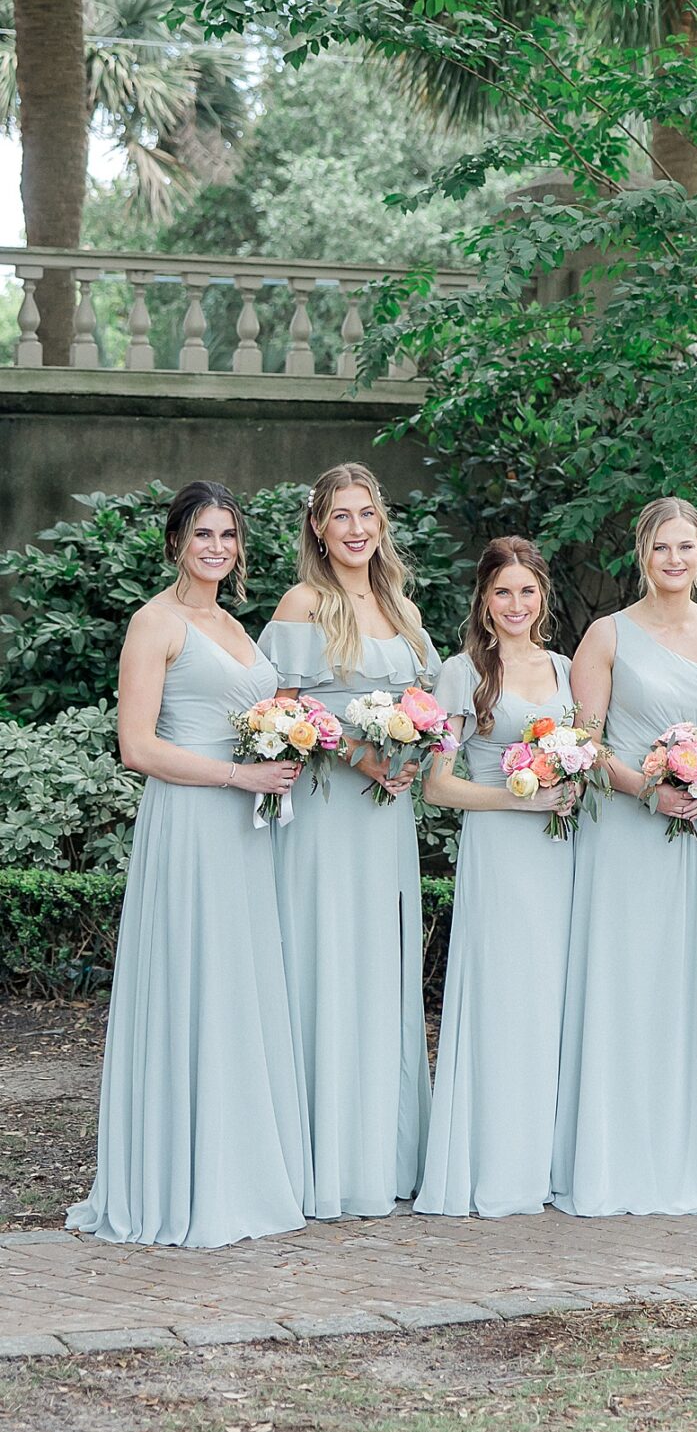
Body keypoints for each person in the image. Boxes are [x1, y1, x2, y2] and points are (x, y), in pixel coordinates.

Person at [69, 482, 308, 1247]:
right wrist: (239, 775)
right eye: (202, 534)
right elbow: (136, 746)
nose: (216, 547)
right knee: (196, 980)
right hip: (194, 818)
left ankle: (237, 1170)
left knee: (238, 985)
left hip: (246, 826)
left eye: (228, 536)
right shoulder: (155, 622)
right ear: (176, 541)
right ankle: (182, 1183)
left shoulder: (233, 623)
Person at [551, 498, 697, 1216]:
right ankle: (617, 1152)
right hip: (629, 832)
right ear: (642, 552)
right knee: (628, 982)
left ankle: (690, 1148)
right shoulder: (607, 634)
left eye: (686, 546)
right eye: (662, 547)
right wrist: (647, 789)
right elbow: (585, 743)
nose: (674, 559)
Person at [259, 463, 437, 1219]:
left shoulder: (401, 606)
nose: (356, 528)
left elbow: (427, 705)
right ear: (318, 529)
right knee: (325, 960)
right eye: (341, 516)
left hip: (387, 815)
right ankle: (320, 1161)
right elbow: (280, 713)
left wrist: (417, 749)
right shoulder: (305, 604)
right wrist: (357, 753)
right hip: (331, 812)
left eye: (367, 513)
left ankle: (379, 1154)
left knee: (380, 969)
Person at [417, 539, 578, 1216]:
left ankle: (546, 1160)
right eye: (502, 592)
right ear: (484, 599)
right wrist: (524, 797)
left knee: (554, 1002)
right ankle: (492, 1162)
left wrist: (567, 787)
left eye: (527, 591)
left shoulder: (570, 671)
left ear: (543, 596)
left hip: (561, 855)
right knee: (504, 999)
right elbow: (436, 787)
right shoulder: (461, 674)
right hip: (500, 853)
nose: (516, 605)